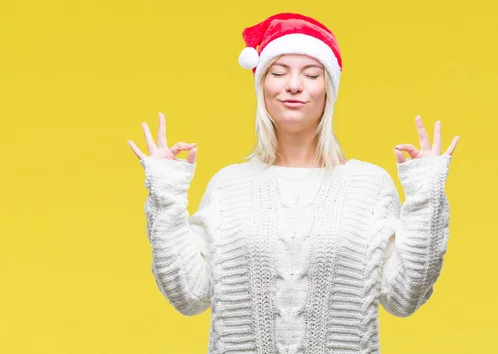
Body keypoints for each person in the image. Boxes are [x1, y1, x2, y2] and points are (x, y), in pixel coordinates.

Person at [127, 12, 459, 354]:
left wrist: (426, 194)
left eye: (311, 74)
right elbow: (189, 295)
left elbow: (404, 298)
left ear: (328, 88)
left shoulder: (369, 186)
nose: (294, 85)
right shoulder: (229, 186)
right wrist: (165, 192)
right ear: (263, 89)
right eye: (279, 72)